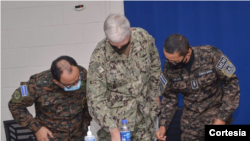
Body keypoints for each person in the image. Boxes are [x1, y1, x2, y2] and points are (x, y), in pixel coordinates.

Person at [87, 13, 162, 141]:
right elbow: (95, 99)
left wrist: (156, 95)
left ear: (130, 31)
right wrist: (113, 130)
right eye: (114, 45)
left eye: (123, 44)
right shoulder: (100, 55)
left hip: (144, 118)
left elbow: (155, 67)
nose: (119, 47)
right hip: (117, 122)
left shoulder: (143, 38)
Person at [155, 34, 240, 141]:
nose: (171, 64)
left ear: (188, 53)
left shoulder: (211, 54)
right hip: (191, 126)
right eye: (167, 59)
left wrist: (222, 118)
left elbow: (232, 84)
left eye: (175, 61)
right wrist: (163, 126)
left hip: (216, 120)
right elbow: (169, 98)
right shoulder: (169, 68)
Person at [8, 56, 92, 141]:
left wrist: (86, 122)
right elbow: (14, 105)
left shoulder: (82, 73)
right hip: (52, 137)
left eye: (77, 80)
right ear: (56, 81)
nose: (76, 85)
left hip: (79, 136)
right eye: (70, 84)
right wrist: (37, 129)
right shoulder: (37, 84)